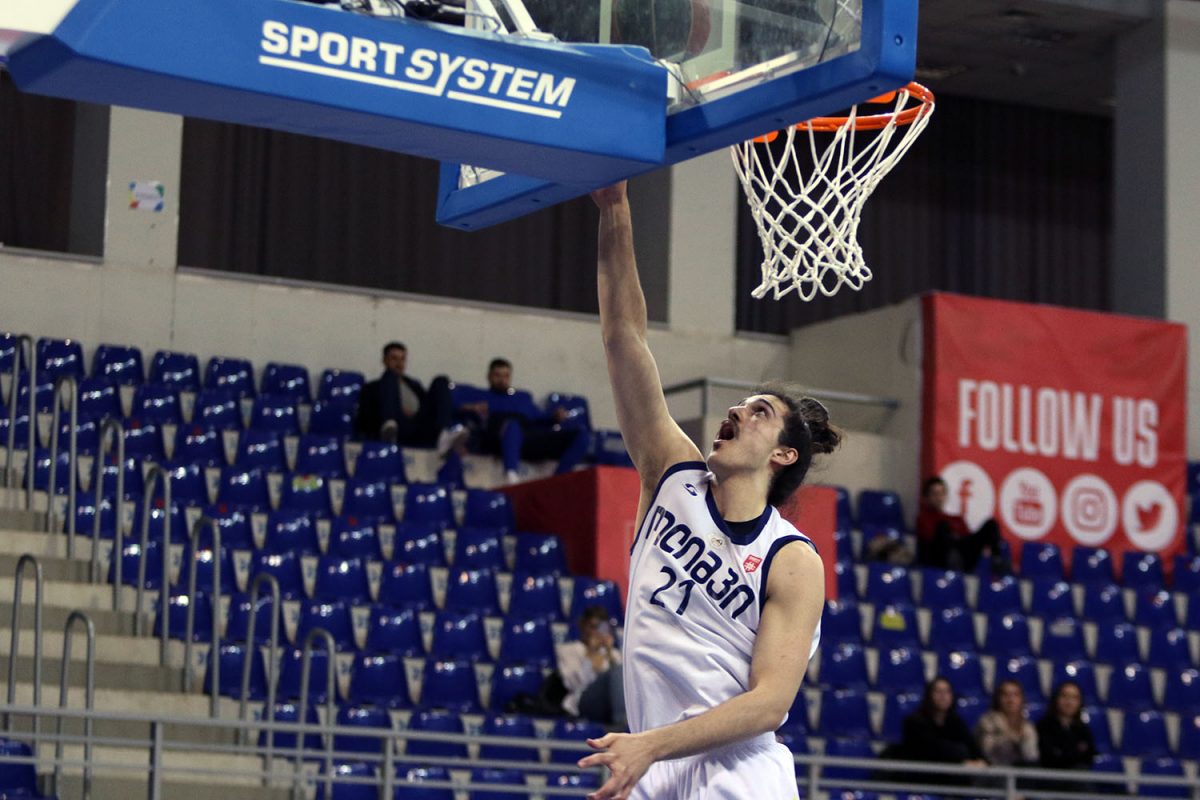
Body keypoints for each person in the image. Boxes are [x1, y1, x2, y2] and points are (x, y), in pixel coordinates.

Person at [577, 182, 838, 799]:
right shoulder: (673, 475)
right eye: (740, 404)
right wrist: (615, 210)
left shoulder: (791, 559)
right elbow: (623, 338)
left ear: (783, 455)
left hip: (736, 773)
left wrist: (651, 744)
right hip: (653, 765)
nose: (738, 411)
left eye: (760, 412)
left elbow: (769, 704)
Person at [461, 357, 590, 484]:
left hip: (529, 438)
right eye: (497, 375)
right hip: (499, 438)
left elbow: (540, 419)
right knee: (512, 426)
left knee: (582, 434)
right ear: (489, 376)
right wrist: (472, 408)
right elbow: (457, 409)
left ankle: (558, 479)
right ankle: (511, 477)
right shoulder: (480, 395)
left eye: (506, 376)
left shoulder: (522, 398)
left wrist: (555, 417)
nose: (502, 380)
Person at [354, 342, 464, 452]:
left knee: (441, 380)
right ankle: (390, 429)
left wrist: (464, 407)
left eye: (402, 359)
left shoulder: (415, 386)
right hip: (398, 427)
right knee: (391, 375)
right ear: (385, 361)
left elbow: (434, 406)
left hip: (419, 426)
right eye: (394, 358)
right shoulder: (372, 388)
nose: (399, 363)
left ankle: (443, 435)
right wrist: (397, 411)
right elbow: (366, 418)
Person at [898, 677, 987, 786]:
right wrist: (962, 761)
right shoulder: (914, 721)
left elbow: (971, 745)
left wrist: (982, 761)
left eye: (947, 692)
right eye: (938, 692)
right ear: (929, 695)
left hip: (950, 777)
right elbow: (933, 748)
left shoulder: (955, 721)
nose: (943, 696)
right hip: (922, 778)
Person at [915, 475, 1004, 572]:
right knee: (943, 527)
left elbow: (967, 539)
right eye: (935, 494)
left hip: (963, 553)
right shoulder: (923, 518)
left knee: (991, 524)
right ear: (927, 497)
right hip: (939, 557)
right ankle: (953, 560)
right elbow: (929, 539)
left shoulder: (956, 519)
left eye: (942, 493)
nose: (939, 498)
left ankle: (997, 563)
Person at [557, 606, 625, 728]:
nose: (598, 632)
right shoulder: (569, 650)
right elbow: (575, 684)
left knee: (620, 670)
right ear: (583, 626)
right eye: (593, 627)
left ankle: (624, 723)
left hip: (608, 705)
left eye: (602, 628)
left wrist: (609, 653)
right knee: (616, 672)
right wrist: (591, 654)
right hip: (582, 702)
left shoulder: (614, 654)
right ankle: (622, 726)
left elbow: (622, 685)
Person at [975, 679, 1038, 767]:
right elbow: (988, 752)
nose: (1011, 700)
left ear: (1022, 699)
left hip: (1022, 771)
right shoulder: (987, 723)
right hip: (994, 770)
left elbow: (1032, 756)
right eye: (1005, 695)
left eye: (1015, 695)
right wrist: (1013, 738)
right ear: (998, 699)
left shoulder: (1028, 727)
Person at [1036, 681, 1096, 772]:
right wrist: (1075, 752)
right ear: (1056, 699)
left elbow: (1089, 757)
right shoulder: (1044, 727)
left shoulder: (1084, 730)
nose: (1069, 702)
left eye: (1074, 698)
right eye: (1064, 696)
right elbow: (1050, 757)